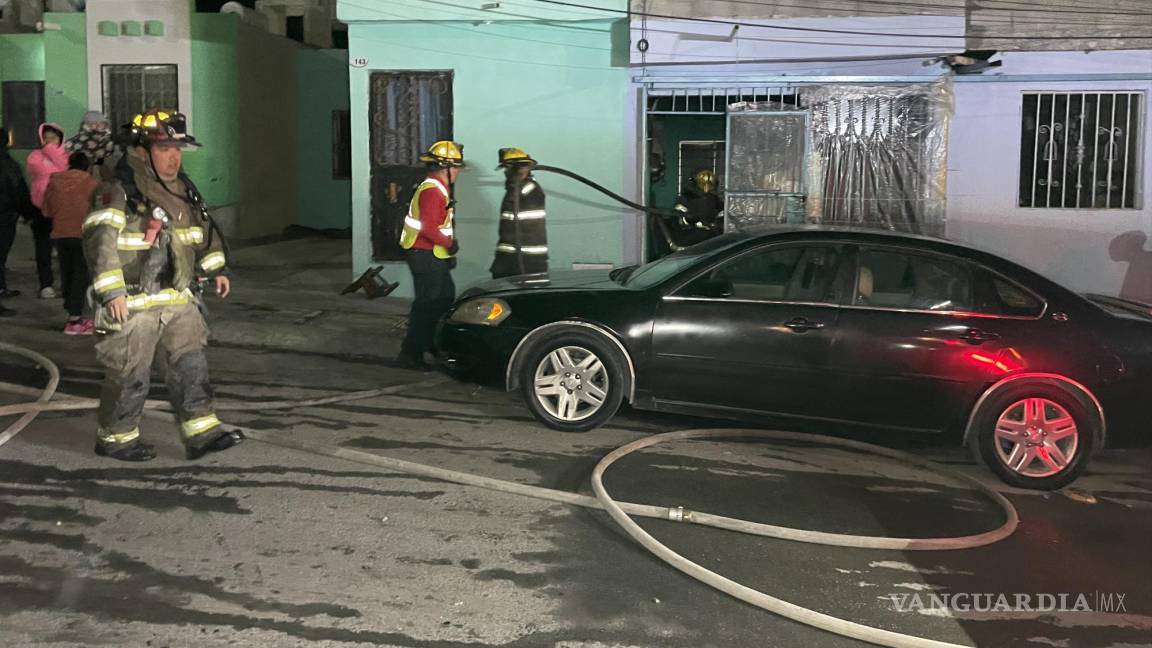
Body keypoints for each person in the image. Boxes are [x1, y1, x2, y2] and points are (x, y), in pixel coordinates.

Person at [83, 109, 243, 462]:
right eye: (165, 148)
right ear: (142, 151)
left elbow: (201, 235)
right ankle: (116, 438)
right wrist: (111, 292)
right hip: (133, 302)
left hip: (178, 298)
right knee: (130, 374)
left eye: (178, 149)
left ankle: (202, 432)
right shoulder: (118, 189)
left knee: (190, 366)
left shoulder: (183, 190)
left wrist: (216, 268)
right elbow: (100, 242)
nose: (174, 157)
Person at [396, 140, 463, 370]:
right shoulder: (433, 191)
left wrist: (446, 250)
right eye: (455, 167)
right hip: (425, 255)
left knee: (444, 297)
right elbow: (429, 228)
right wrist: (449, 244)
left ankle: (429, 344)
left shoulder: (437, 188)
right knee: (428, 304)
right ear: (444, 167)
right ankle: (411, 353)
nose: (457, 172)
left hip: (432, 254)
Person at [42, 151, 99, 334]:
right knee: (80, 275)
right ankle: (75, 320)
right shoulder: (92, 184)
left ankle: (71, 313)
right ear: (87, 166)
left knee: (66, 272)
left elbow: (46, 210)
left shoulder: (54, 182)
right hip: (82, 234)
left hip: (60, 234)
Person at [490, 147, 548, 279]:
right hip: (508, 260)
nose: (506, 173)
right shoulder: (515, 190)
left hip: (528, 262)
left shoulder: (528, 190)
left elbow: (525, 230)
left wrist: (514, 183)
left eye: (508, 168)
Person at [26, 122, 68, 298]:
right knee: (43, 247)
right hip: (40, 206)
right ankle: (46, 284)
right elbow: (39, 171)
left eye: (54, 138)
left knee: (65, 248)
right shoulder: (35, 155)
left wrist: (51, 152)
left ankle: (67, 285)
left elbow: (64, 169)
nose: (50, 141)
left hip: (62, 207)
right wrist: (52, 159)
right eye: (47, 138)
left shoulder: (67, 154)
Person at [0, 126, 33, 310]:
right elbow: (18, 190)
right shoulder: (7, 164)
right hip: (4, 216)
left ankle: (2, 287)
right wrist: (28, 213)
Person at [672, 169, 725, 245]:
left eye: (710, 184)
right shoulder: (686, 198)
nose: (706, 187)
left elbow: (722, 215)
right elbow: (679, 222)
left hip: (712, 238)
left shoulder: (714, 199)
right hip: (690, 238)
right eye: (704, 183)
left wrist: (715, 225)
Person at [65, 110, 121, 181]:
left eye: (101, 123)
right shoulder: (78, 140)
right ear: (86, 125)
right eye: (93, 123)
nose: (98, 125)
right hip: (81, 177)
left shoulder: (107, 140)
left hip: (103, 176)